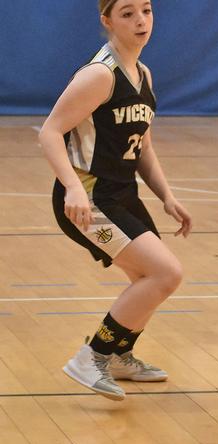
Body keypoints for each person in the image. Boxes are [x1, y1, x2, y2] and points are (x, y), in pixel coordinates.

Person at [38, 0, 191, 401]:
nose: (141, 20)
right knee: (165, 274)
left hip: (123, 192)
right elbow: (50, 132)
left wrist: (167, 196)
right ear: (107, 20)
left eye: (147, 10)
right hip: (89, 196)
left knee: (148, 279)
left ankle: (121, 355)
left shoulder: (142, 74)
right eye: (127, 13)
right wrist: (71, 186)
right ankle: (92, 356)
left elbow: (142, 148)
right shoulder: (98, 75)